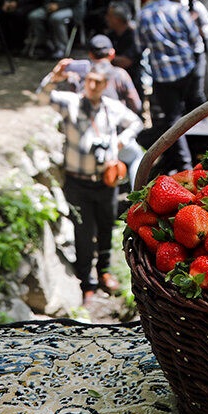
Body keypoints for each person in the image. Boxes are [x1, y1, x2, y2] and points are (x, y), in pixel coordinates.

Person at [39, 61, 142, 302]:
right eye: (89, 80)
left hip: (106, 181)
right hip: (77, 182)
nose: (92, 85)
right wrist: (54, 77)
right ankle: (86, 281)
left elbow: (136, 122)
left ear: (106, 85)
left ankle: (104, 272)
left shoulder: (111, 107)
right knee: (83, 231)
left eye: (98, 82)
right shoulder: (71, 102)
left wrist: (121, 142)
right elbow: (42, 97)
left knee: (106, 227)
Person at [136, 0, 202, 174]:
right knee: (189, 113)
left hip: (163, 75)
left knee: (173, 118)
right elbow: (195, 39)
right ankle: (190, 160)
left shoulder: (143, 15)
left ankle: (183, 163)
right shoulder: (178, 10)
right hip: (186, 69)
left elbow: (140, 45)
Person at [168, 0, 208, 99]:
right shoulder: (167, 8)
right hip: (176, 56)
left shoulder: (195, 6)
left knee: (196, 90)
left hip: (195, 53)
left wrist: (199, 30)